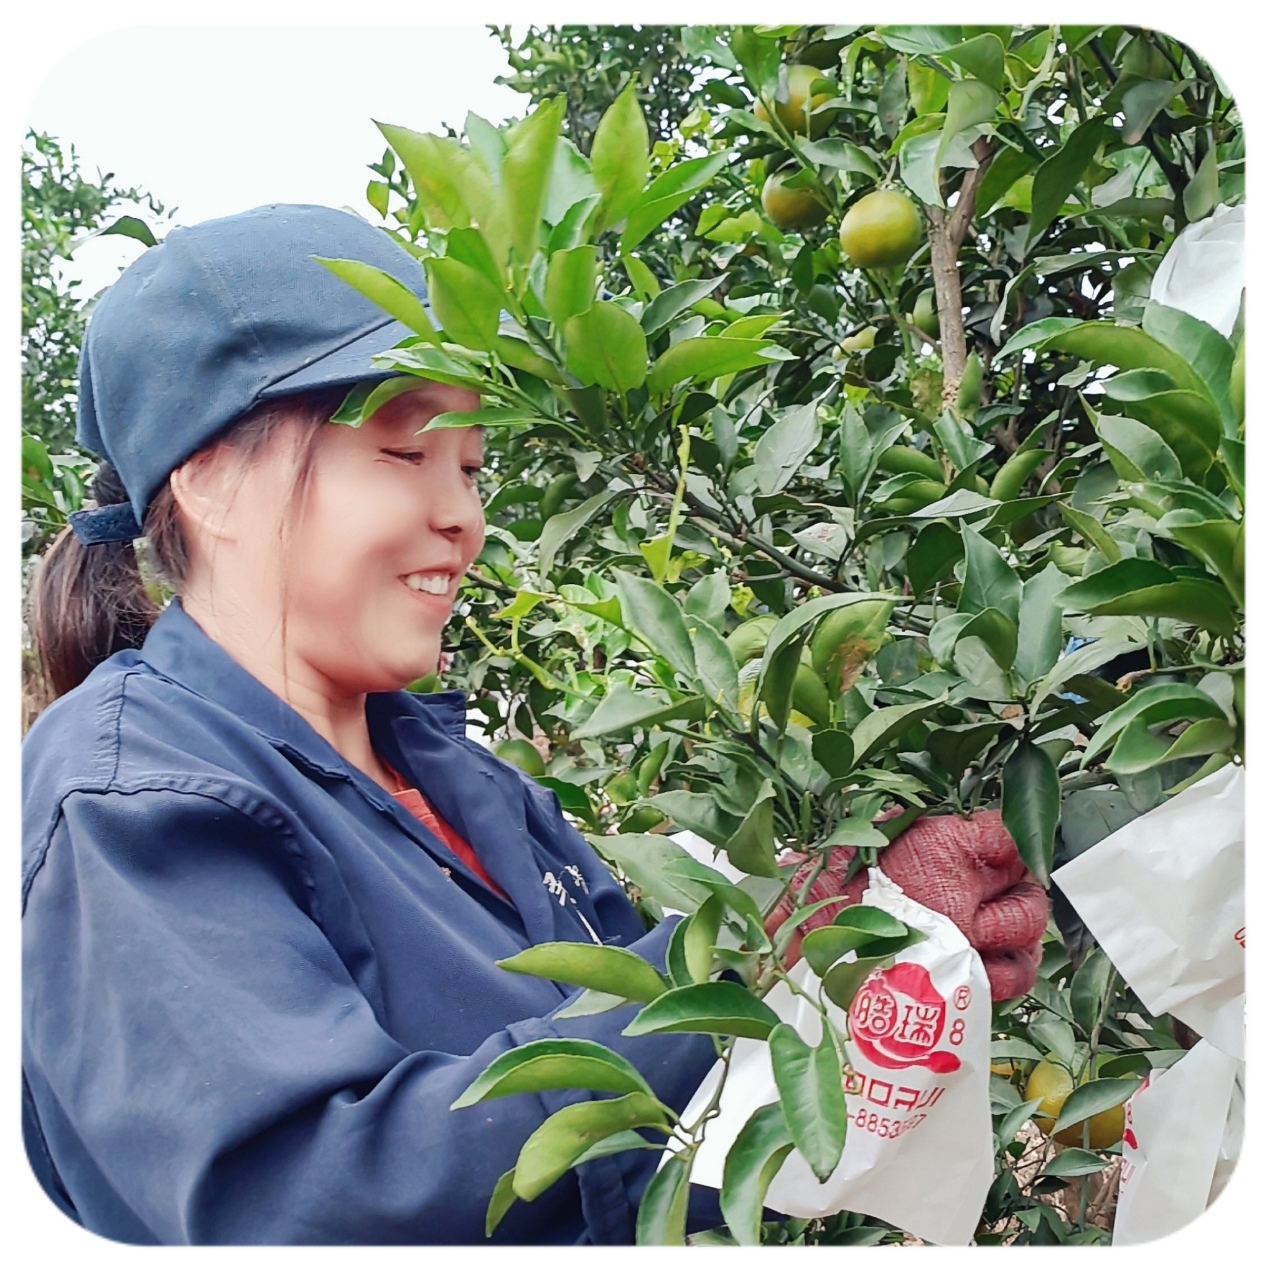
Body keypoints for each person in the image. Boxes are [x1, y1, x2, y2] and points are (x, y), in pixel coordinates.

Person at [22, 204, 1047, 1246]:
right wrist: (754, 948)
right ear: (210, 482)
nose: (462, 514)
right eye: (404, 452)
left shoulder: (463, 780)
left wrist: (867, 962)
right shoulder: (131, 792)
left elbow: (648, 1145)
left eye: (469, 467)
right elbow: (305, 1201)